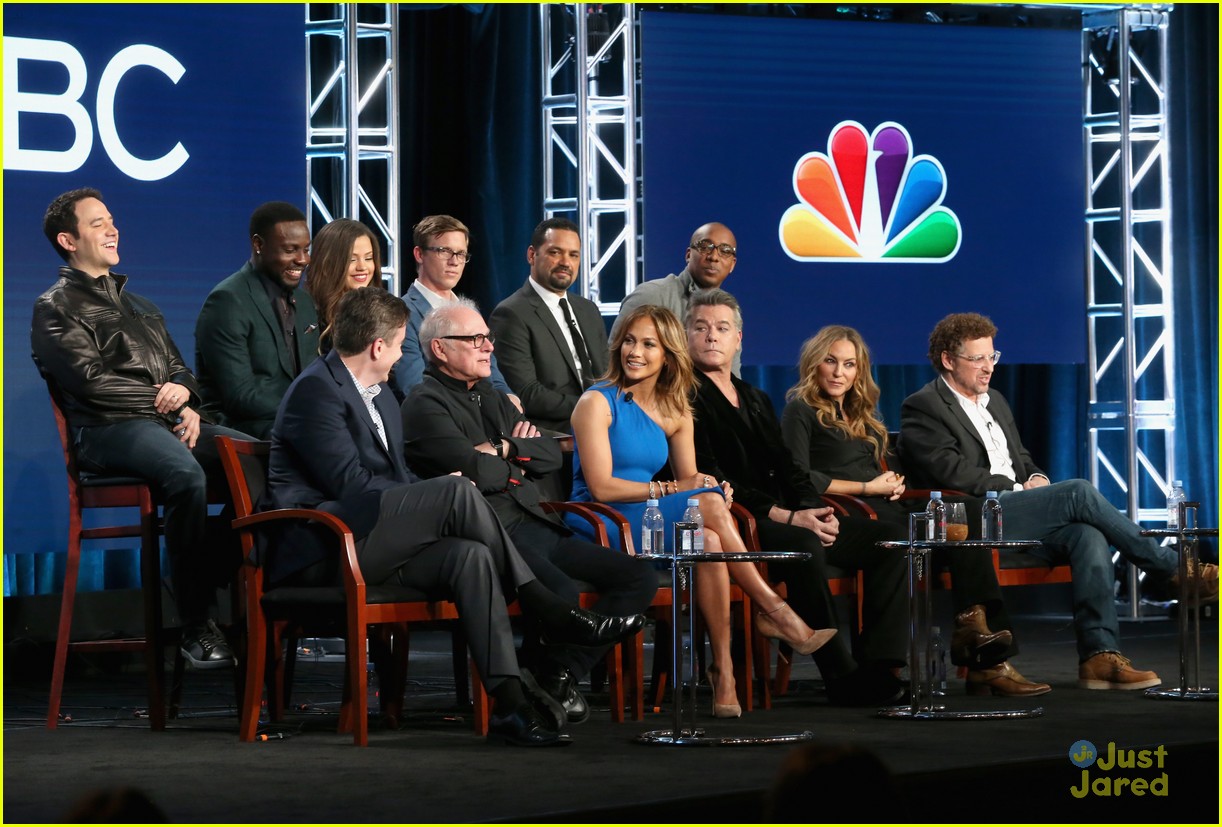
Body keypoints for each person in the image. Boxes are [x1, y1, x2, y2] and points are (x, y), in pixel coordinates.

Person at [265, 286, 643, 746]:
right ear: (378, 346)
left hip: (377, 538)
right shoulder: (316, 392)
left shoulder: (381, 395)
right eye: (401, 342)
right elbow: (352, 488)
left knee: (470, 557)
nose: (404, 354)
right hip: (328, 548)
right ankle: (546, 605)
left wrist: (429, 501)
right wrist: (432, 499)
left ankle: (512, 709)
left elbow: (400, 477)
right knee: (453, 490)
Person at [897, 312, 1217, 690]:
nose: (988, 369)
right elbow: (950, 472)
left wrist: (1035, 478)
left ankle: (1100, 655)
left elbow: (1023, 459)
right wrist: (1016, 488)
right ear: (948, 360)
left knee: (1086, 534)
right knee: (1079, 490)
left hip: (1015, 509)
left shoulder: (994, 401)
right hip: (972, 518)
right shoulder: (924, 406)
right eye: (977, 359)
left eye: (992, 357)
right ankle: (1172, 569)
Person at [568, 304, 835, 718]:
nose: (634, 352)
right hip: (605, 520)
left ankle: (723, 671)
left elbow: (692, 478)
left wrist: (712, 488)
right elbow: (602, 486)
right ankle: (774, 611)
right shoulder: (597, 402)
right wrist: (686, 490)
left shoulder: (676, 410)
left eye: (649, 344)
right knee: (705, 508)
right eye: (629, 341)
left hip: (651, 517)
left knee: (708, 536)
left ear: (668, 354)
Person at [402, 300, 656, 725]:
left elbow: (551, 455)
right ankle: (533, 690)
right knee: (560, 590)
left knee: (639, 575)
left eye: (488, 338)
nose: (487, 347)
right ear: (441, 349)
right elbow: (474, 471)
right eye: (474, 339)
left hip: (537, 520)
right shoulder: (424, 403)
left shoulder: (493, 396)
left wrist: (504, 448)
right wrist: (512, 455)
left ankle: (557, 674)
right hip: (493, 533)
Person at [32, 188, 251, 670]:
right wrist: (166, 404)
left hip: (164, 423)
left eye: (111, 220)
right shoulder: (55, 307)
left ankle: (206, 568)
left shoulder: (142, 305)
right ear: (68, 240)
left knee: (264, 460)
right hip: (107, 432)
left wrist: (188, 401)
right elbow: (89, 384)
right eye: (97, 223)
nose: (112, 229)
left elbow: (180, 370)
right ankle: (197, 623)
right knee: (186, 475)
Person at [780, 322, 1050, 697]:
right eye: (831, 362)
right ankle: (893, 666)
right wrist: (866, 487)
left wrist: (895, 483)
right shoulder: (801, 411)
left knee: (963, 509)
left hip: (885, 509)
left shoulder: (863, 417)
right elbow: (797, 476)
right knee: (900, 539)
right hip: (844, 515)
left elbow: (886, 470)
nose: (840, 373)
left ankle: (976, 626)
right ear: (815, 364)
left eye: (849, 364)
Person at [686, 291, 909, 705]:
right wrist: (791, 518)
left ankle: (880, 665)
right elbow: (716, 477)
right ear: (686, 337)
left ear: (739, 339)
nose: (712, 337)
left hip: (788, 514)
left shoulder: (754, 397)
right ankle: (841, 676)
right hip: (738, 520)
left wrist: (814, 510)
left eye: (721, 328)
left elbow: (789, 467)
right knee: (805, 544)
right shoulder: (685, 395)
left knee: (891, 540)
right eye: (701, 328)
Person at [194, 202, 320, 438]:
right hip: (240, 428)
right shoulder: (227, 301)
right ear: (258, 244)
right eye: (291, 250)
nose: (303, 259)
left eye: (306, 249)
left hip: (295, 420)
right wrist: (308, 410)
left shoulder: (304, 303)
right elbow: (239, 395)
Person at [489, 217, 610, 433]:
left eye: (574, 255)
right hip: (556, 432)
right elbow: (527, 393)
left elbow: (607, 375)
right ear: (531, 255)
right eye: (555, 252)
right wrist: (595, 408)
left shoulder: (588, 310)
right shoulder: (511, 313)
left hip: (606, 424)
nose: (566, 262)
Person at [392, 214, 519, 407]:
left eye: (461, 254)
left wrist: (510, 400)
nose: (454, 261)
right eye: (445, 251)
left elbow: (492, 374)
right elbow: (414, 386)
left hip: (486, 415)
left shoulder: (469, 312)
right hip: (440, 421)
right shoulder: (402, 313)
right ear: (419, 254)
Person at [611, 222, 741, 374]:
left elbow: (730, 379)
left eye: (725, 251)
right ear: (688, 255)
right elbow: (612, 359)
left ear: (732, 264)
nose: (713, 257)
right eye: (705, 247)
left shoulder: (728, 313)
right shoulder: (652, 295)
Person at [303, 217, 383, 353]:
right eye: (352, 259)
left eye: (368, 258)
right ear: (327, 264)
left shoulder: (380, 312)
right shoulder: (308, 315)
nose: (362, 267)